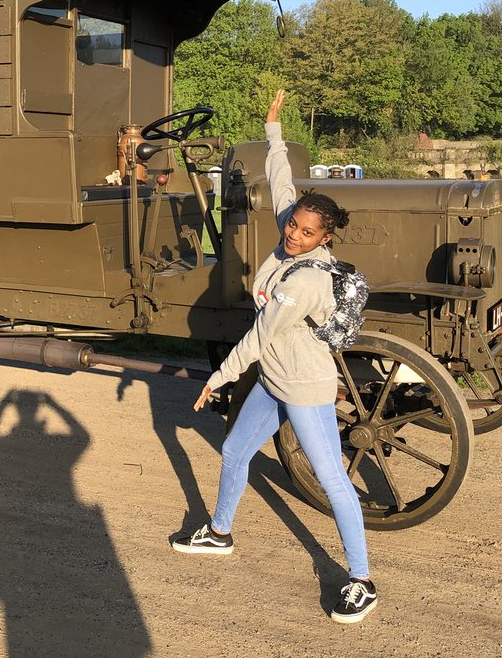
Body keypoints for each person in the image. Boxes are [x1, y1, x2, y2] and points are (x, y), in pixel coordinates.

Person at [171, 89, 378, 625]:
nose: (292, 233)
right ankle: (219, 533)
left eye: (307, 232)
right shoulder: (293, 232)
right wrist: (273, 130)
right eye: (292, 225)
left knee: (332, 479)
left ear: (325, 238)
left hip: (304, 386)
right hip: (272, 379)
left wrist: (217, 377)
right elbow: (283, 182)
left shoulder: (306, 280)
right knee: (236, 450)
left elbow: (258, 337)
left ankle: (361, 579)